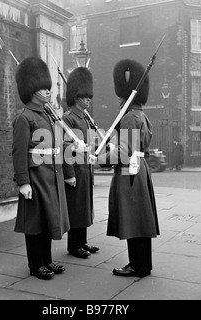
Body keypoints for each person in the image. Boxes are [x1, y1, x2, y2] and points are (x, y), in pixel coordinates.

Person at [91, 59, 159, 278]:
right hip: (140, 170)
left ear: (125, 94)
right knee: (140, 221)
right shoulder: (142, 116)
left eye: (120, 95)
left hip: (129, 172)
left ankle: (137, 265)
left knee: (133, 221)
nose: (118, 99)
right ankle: (143, 265)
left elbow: (123, 152)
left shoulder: (129, 117)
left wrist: (99, 160)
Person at [12, 57, 70, 280]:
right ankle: (35, 265)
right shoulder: (24, 118)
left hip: (50, 176)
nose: (48, 91)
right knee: (34, 225)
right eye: (43, 88)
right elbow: (19, 153)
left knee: (47, 222)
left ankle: (46, 260)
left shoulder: (47, 114)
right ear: (32, 90)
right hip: (35, 177)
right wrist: (23, 181)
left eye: (48, 88)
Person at [62, 67, 100, 258]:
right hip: (76, 170)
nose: (88, 99)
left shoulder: (85, 118)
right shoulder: (69, 118)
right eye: (85, 96)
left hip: (86, 168)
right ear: (77, 97)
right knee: (76, 208)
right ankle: (74, 245)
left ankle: (82, 241)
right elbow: (65, 148)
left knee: (85, 206)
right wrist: (69, 174)